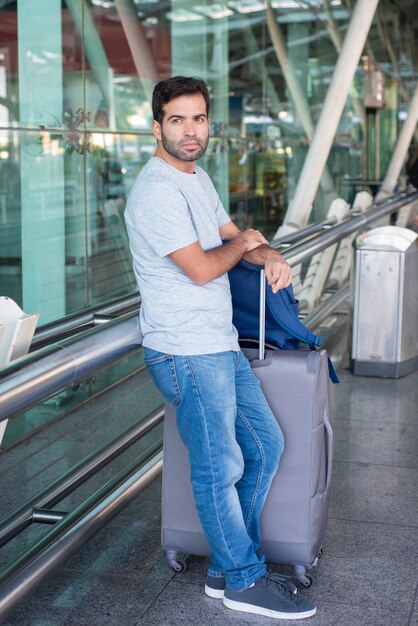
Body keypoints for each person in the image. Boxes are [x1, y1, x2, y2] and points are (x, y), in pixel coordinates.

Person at [124, 76, 317, 620]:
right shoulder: (157, 191)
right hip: (185, 352)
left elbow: (237, 237)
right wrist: (247, 242)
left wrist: (268, 251)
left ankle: (228, 562)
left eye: (199, 119)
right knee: (219, 467)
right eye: (178, 120)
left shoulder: (197, 177)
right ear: (156, 125)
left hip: (219, 344)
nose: (191, 130)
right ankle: (243, 579)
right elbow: (207, 265)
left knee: (266, 447)